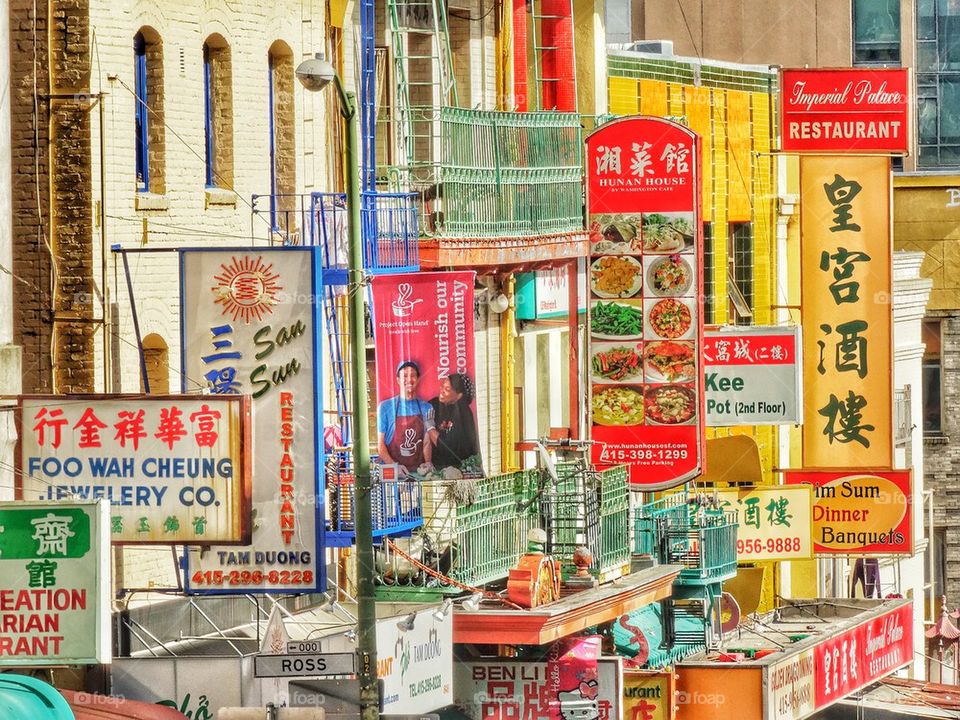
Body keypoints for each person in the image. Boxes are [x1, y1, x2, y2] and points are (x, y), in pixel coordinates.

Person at [377, 361, 434, 475]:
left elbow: (427, 441)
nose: (409, 379)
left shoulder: (427, 408)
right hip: (392, 473)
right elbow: (380, 445)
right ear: (398, 379)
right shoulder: (385, 407)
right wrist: (394, 466)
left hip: (418, 473)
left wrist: (428, 463)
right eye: (404, 376)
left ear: (418, 379)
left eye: (413, 375)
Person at [428, 373, 480, 471]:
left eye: (447, 389)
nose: (442, 390)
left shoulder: (463, 414)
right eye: (442, 386)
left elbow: (446, 447)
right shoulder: (435, 403)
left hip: (457, 470)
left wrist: (429, 427)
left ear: (459, 396)